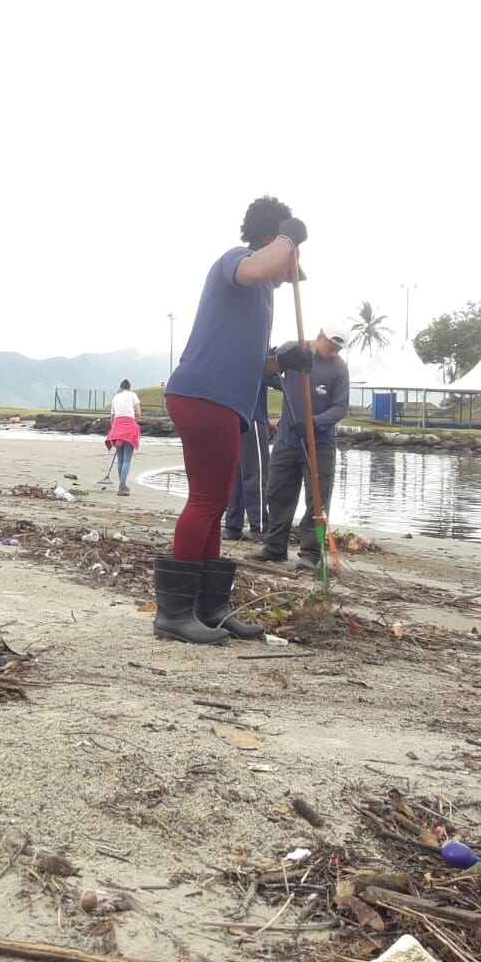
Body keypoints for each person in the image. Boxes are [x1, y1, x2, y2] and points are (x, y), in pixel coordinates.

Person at [159, 196, 309, 645]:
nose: (292, 269)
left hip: (225, 401)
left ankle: (210, 607)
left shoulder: (265, 296)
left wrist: (284, 358)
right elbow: (256, 269)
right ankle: (174, 614)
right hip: (204, 395)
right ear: (272, 240)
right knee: (206, 500)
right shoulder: (239, 261)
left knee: (217, 500)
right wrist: (291, 234)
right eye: (289, 254)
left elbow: (253, 365)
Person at [258, 329, 350, 569]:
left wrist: (313, 423)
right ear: (320, 336)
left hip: (319, 445)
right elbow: (265, 372)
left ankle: (311, 554)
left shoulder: (339, 368)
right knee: (277, 492)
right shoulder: (294, 349)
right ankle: (274, 547)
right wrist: (279, 359)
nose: (333, 351)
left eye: (337, 348)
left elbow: (340, 408)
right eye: (330, 345)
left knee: (317, 501)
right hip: (287, 440)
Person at [223, 373, 271, 540]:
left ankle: (233, 525)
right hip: (253, 417)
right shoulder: (256, 353)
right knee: (255, 473)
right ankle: (260, 526)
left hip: (234, 416)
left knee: (237, 475)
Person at [105, 379, 141, 495]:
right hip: (129, 428)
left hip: (117, 429)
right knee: (126, 460)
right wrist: (132, 420)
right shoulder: (132, 395)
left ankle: (123, 485)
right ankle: (122, 486)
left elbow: (112, 417)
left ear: (120, 387)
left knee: (120, 459)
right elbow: (138, 413)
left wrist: (115, 429)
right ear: (129, 387)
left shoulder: (116, 397)